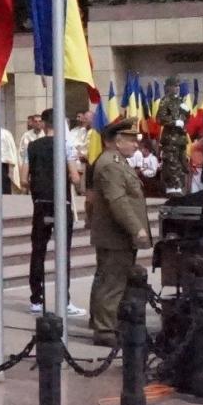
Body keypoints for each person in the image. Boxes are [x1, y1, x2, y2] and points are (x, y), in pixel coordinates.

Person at [88, 118, 152, 347]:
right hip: (115, 235)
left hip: (117, 235)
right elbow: (118, 201)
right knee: (112, 283)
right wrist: (137, 228)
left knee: (110, 279)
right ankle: (105, 330)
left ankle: (105, 323)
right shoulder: (111, 165)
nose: (136, 144)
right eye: (131, 139)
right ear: (117, 141)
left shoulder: (118, 162)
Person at [25, 109, 87, 317]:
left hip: (40, 203)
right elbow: (75, 178)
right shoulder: (65, 145)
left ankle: (36, 299)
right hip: (61, 202)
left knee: (38, 250)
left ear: (43, 124)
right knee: (63, 252)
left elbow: (24, 178)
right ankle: (64, 300)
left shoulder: (32, 146)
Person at [156, 76, 189, 196]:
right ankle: (173, 187)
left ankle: (180, 187)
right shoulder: (165, 101)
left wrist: (187, 113)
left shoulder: (180, 101)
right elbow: (159, 119)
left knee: (181, 163)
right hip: (170, 139)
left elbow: (185, 119)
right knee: (171, 163)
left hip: (180, 139)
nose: (177, 88)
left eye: (178, 86)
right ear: (168, 87)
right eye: (175, 86)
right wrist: (174, 122)